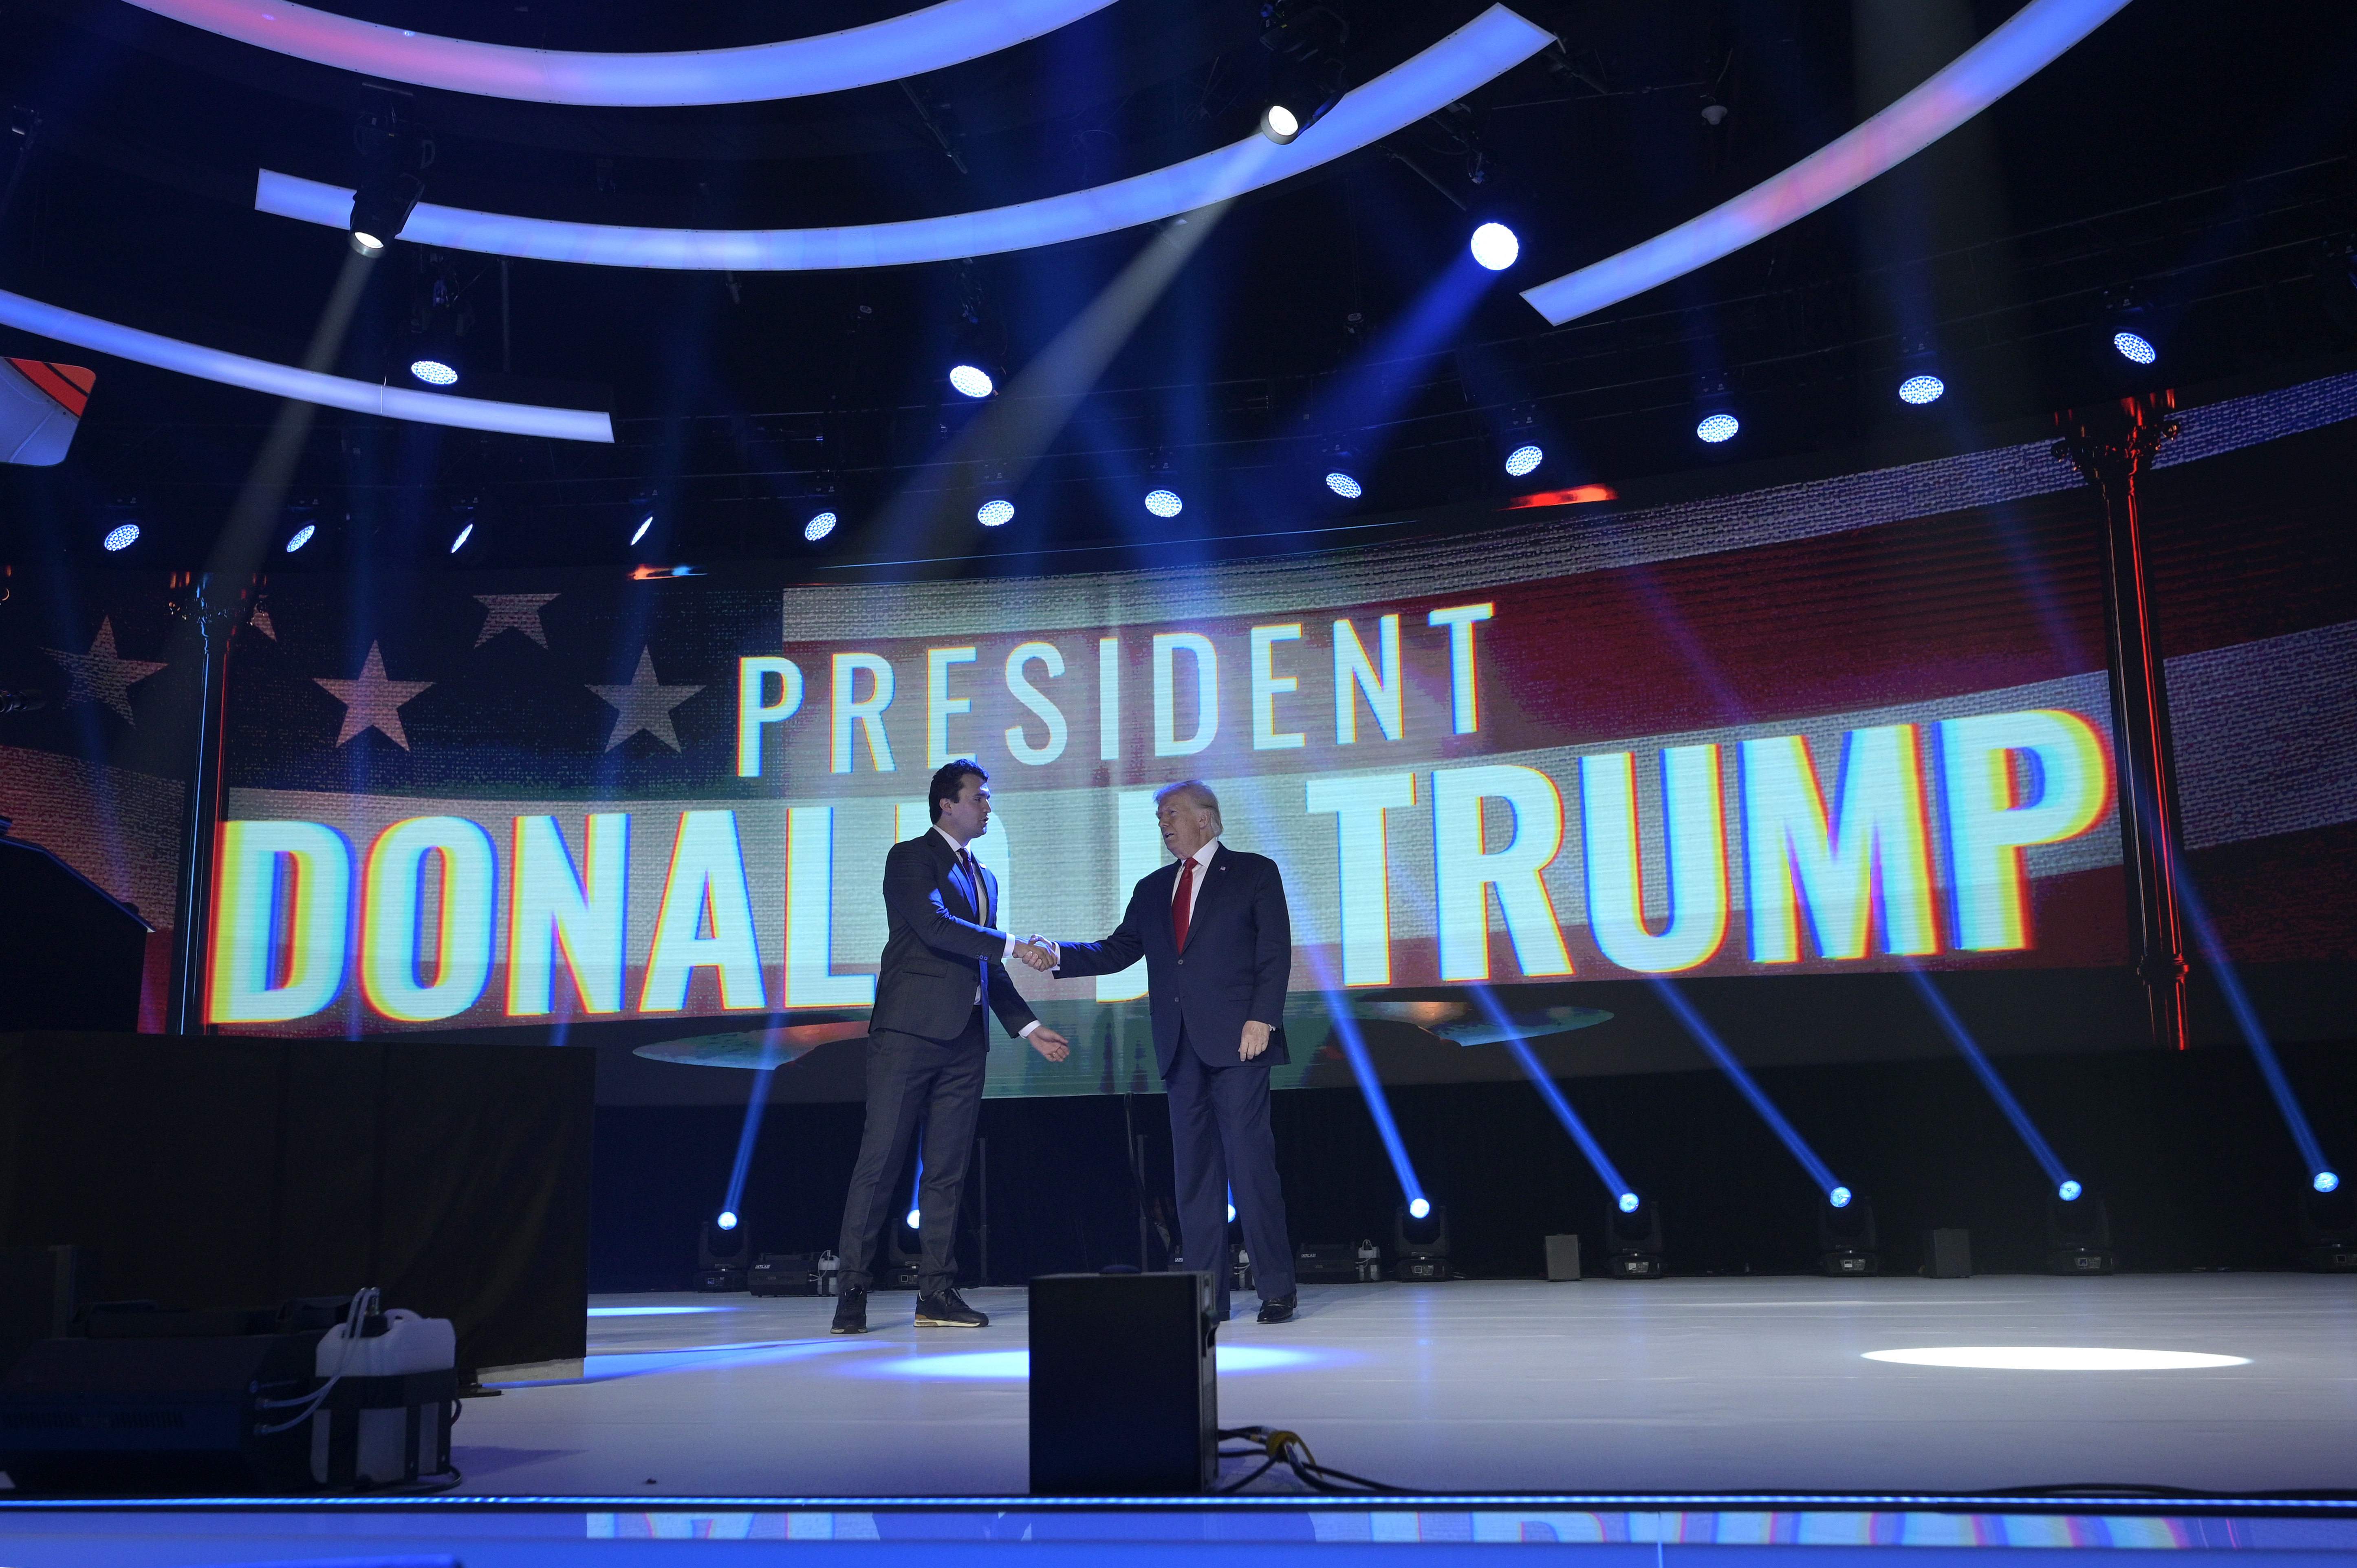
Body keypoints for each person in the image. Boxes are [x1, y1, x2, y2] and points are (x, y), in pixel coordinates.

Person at [1023, 781, 1298, 1324]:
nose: (1163, 823)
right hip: (1179, 1047)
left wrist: (1262, 1017)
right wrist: (1058, 953)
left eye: (1171, 813)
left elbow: (1274, 951)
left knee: (1250, 1166)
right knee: (1193, 1175)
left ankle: (1277, 1287)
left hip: (1241, 1042)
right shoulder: (1154, 888)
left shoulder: (1253, 873)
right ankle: (1206, 1297)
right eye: (1158, 816)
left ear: (1207, 818)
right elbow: (1118, 949)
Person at [830, 760, 1069, 1335]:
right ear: (947, 804)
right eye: (979, 798)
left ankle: (935, 1292)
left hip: (965, 1043)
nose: (988, 807)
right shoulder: (911, 857)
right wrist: (1016, 944)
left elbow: (982, 961)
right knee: (881, 1162)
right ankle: (852, 1294)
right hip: (907, 1036)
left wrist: (1028, 1027)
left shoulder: (983, 877)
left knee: (946, 1172)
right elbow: (937, 929)